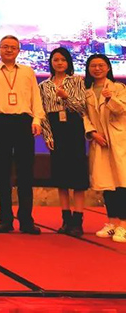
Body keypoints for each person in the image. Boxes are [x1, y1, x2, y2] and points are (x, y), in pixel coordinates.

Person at [0, 35, 45, 234]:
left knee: (25, 173)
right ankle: (5, 219)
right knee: (2, 171)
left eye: (13, 47)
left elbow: (36, 97)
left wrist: (37, 120)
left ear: (19, 50)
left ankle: (26, 220)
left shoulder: (28, 72)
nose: (9, 50)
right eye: (5, 47)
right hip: (1, 122)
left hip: (23, 122)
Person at [38, 48, 89, 236]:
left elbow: (82, 108)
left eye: (63, 60)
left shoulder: (77, 81)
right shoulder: (43, 86)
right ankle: (66, 219)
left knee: (78, 176)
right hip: (55, 128)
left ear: (68, 62)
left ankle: (78, 220)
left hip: (74, 127)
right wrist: (48, 135)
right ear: (51, 62)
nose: (59, 63)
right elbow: (42, 113)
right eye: (56, 60)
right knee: (61, 176)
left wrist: (67, 98)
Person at [83, 54, 126, 243]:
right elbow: (83, 115)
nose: (97, 69)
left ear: (108, 67)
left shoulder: (118, 88)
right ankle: (112, 222)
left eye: (101, 65)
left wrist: (110, 99)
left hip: (118, 140)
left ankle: (123, 225)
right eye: (93, 65)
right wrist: (92, 133)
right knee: (107, 183)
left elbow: (122, 110)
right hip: (99, 140)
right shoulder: (87, 91)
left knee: (122, 182)